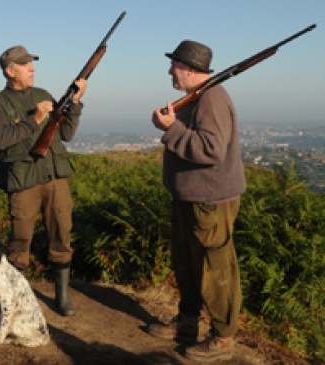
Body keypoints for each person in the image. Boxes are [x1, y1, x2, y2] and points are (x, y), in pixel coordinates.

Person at [149, 40, 246, 362]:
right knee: (188, 264)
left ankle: (223, 337)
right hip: (190, 196)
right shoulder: (198, 97)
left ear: (189, 69)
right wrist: (170, 123)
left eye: (174, 65)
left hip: (210, 200)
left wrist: (171, 127)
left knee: (215, 270)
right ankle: (187, 321)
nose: (169, 71)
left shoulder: (213, 99)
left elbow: (211, 150)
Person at [0, 45, 87, 316]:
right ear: (10, 71)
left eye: (31, 63)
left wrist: (74, 105)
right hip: (24, 180)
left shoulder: (43, 94)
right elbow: (2, 140)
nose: (32, 68)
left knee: (62, 234)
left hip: (56, 177)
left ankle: (62, 296)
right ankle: (14, 300)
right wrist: (35, 120)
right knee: (20, 241)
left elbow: (65, 133)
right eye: (25, 64)